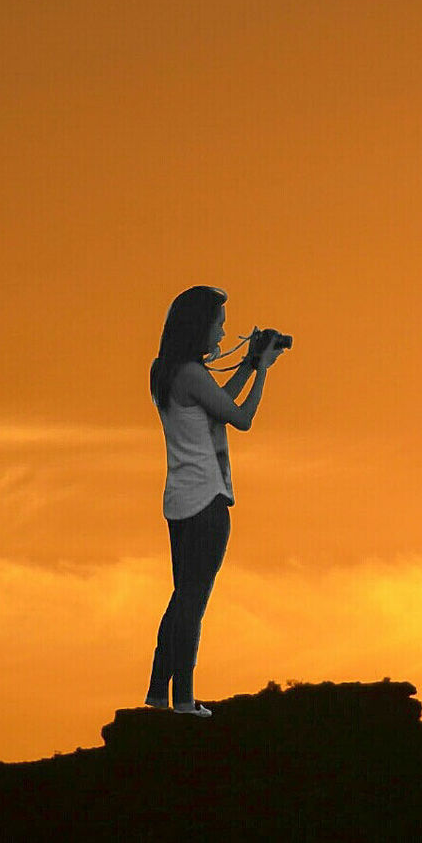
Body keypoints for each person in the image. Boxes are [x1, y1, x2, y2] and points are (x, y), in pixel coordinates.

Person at [144, 285, 287, 716]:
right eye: (219, 325)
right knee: (193, 603)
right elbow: (240, 417)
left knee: (180, 598)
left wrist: (246, 364)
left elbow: (217, 400)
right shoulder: (191, 374)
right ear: (198, 327)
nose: (222, 334)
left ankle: (158, 691)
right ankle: (184, 700)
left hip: (178, 500)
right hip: (207, 501)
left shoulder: (166, 370)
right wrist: (263, 370)